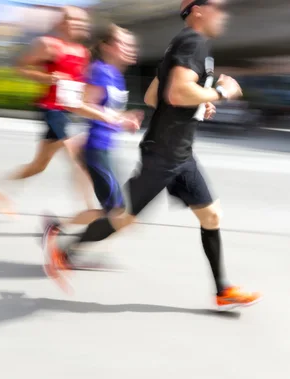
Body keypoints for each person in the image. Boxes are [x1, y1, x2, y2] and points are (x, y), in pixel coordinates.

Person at [43, 0, 262, 311]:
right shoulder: (193, 42)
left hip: (181, 154)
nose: (223, 13)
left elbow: (154, 96)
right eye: (218, 6)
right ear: (198, 9)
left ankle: (223, 290)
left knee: (212, 216)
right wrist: (222, 92)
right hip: (163, 155)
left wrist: (200, 103)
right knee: (122, 218)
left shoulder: (182, 44)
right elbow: (176, 93)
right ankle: (63, 251)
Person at [0, 6, 120, 216]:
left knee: (38, 166)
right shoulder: (48, 45)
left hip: (67, 110)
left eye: (82, 21)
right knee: (79, 159)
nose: (79, 24)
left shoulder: (83, 53)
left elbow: (81, 87)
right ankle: (91, 213)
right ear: (61, 23)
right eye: (73, 20)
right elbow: (19, 67)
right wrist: (47, 78)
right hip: (51, 110)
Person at [41, 25, 143, 272]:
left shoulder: (115, 75)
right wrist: (111, 117)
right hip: (97, 150)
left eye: (131, 44)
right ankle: (65, 249)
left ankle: (59, 233)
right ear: (108, 47)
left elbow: (108, 113)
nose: (130, 48)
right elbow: (77, 105)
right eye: (124, 43)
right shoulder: (99, 71)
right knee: (119, 215)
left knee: (118, 214)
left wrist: (124, 119)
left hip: (106, 149)